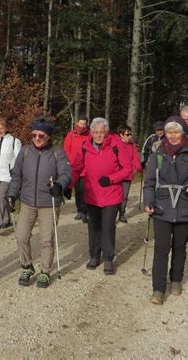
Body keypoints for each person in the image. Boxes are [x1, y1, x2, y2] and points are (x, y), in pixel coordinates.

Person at [143, 116, 188, 305]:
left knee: (179, 246)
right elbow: (149, 183)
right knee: (161, 248)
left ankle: (177, 280)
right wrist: (148, 201)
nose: (172, 135)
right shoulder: (157, 154)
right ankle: (158, 289)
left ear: (183, 133)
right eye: (169, 131)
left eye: (176, 131)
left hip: (184, 204)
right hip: (162, 206)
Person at [6, 117, 72, 288]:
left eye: (41, 135)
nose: (36, 138)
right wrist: (12, 195)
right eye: (34, 135)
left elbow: (66, 173)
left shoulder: (58, 152)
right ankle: (27, 266)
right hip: (28, 202)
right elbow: (17, 175)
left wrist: (59, 185)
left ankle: (45, 271)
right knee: (21, 236)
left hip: (48, 203)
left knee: (47, 239)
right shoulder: (26, 152)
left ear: (48, 136)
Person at [70, 117, 132, 275]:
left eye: (102, 132)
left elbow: (127, 169)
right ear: (91, 132)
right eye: (96, 132)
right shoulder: (85, 146)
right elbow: (76, 167)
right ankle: (94, 256)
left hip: (111, 193)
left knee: (108, 226)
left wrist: (111, 179)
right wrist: (68, 186)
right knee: (93, 226)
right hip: (92, 195)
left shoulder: (116, 145)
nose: (98, 135)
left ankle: (109, 258)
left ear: (107, 132)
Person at [63, 115, 91, 222]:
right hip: (74, 167)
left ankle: (85, 211)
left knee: (84, 190)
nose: (82, 126)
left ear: (87, 124)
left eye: (84, 124)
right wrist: (72, 161)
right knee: (77, 191)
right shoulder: (71, 135)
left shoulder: (90, 135)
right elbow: (66, 149)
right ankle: (79, 210)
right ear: (76, 123)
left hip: (86, 168)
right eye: (80, 123)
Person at [117, 125, 142, 223]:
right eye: (127, 134)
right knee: (115, 195)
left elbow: (135, 157)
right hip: (117, 174)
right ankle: (113, 213)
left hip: (127, 175)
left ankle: (122, 213)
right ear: (121, 135)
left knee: (125, 196)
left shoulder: (132, 145)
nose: (130, 136)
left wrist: (138, 167)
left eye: (131, 134)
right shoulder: (116, 145)